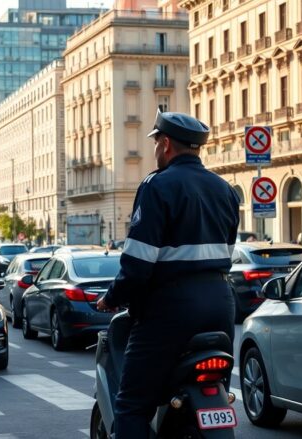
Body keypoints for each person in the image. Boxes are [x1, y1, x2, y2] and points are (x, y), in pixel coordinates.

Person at [96, 110, 240, 438]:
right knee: (216, 387)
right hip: (221, 304)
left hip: (170, 310)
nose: (155, 150)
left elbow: (137, 263)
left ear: (165, 144)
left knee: (132, 404)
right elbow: (226, 253)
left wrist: (112, 298)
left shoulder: (156, 186)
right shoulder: (225, 189)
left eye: (156, 144)